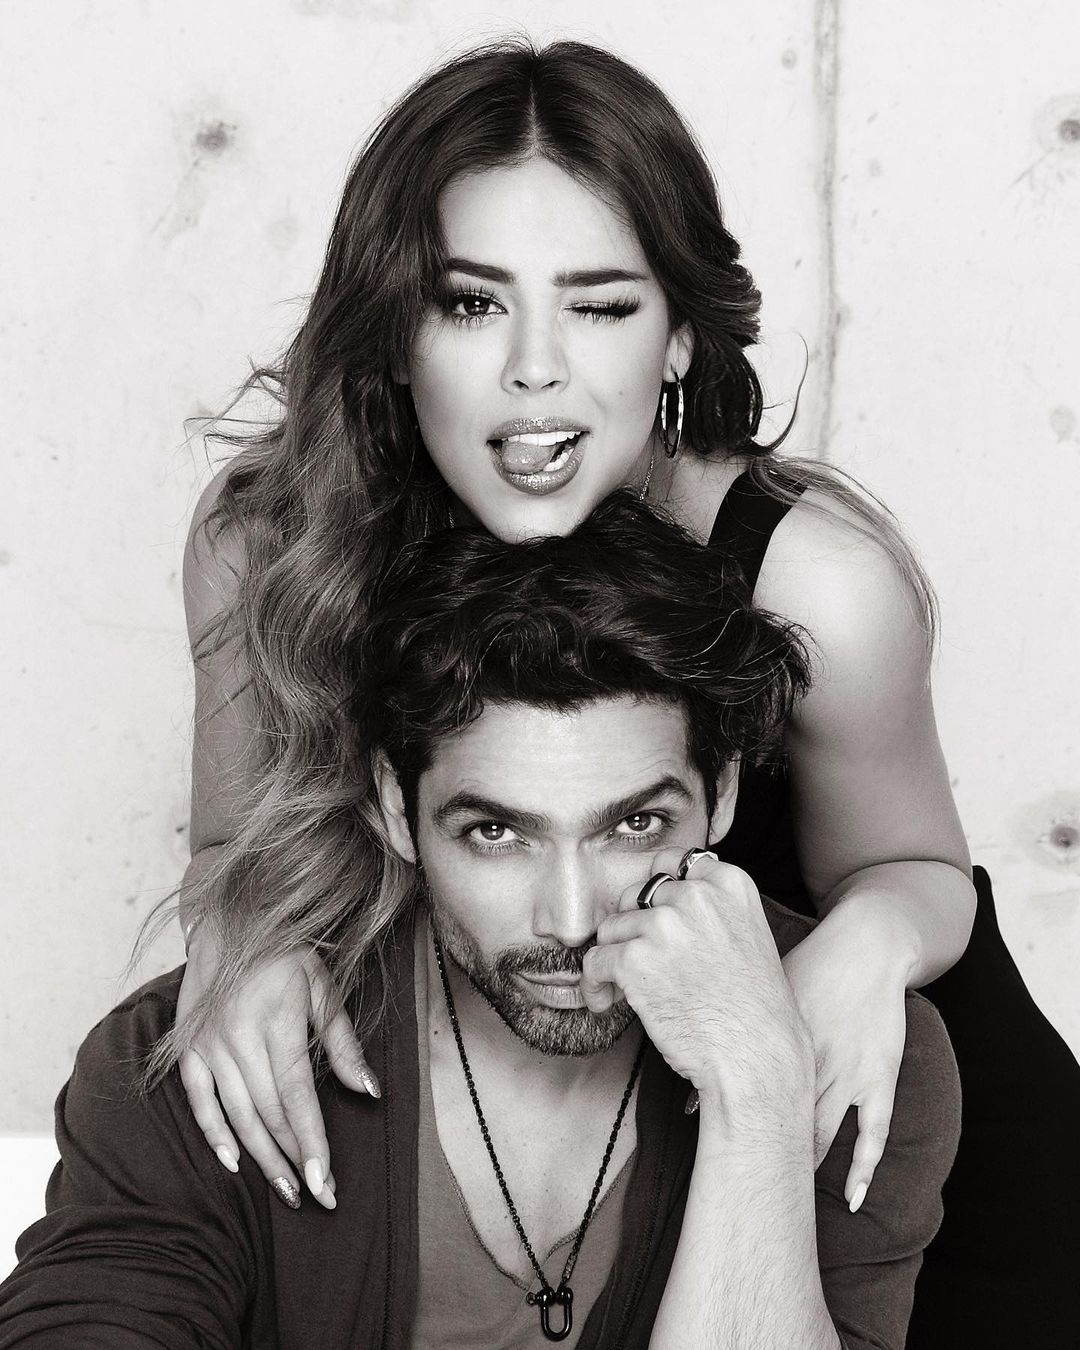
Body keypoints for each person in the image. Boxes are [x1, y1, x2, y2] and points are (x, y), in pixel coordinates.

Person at [171, 38, 1080, 1346]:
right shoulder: (271, 544)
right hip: (616, 1171)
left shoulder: (816, 582)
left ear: (681, 338)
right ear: (394, 332)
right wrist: (247, 946)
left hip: (883, 1129)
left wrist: (856, 951)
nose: (535, 368)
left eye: (598, 306)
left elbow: (918, 866)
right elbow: (228, 853)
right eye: (471, 304)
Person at [0, 500, 961, 1349]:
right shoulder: (207, 1061)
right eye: (497, 833)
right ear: (394, 809)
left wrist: (757, 1094)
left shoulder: (858, 1053)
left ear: (722, 796)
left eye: (634, 826)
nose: (572, 920)